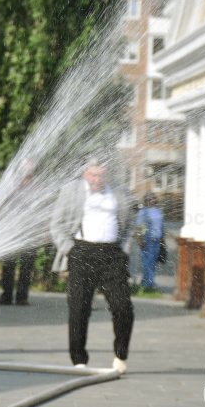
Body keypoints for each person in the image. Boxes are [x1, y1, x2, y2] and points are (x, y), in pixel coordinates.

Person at [50, 158, 134, 374]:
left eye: (101, 176)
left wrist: (124, 250)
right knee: (78, 307)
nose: (97, 180)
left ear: (108, 175)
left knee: (123, 307)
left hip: (112, 255)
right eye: (93, 175)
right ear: (85, 174)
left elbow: (131, 224)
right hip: (81, 253)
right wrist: (70, 250)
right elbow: (57, 225)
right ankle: (79, 360)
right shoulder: (71, 191)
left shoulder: (121, 191)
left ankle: (120, 354)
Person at [135, 192, 164, 291]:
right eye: (148, 199)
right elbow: (139, 226)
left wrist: (163, 238)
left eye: (152, 199)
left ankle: (145, 281)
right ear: (145, 201)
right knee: (148, 261)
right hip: (148, 239)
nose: (150, 201)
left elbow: (161, 225)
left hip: (157, 238)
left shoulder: (158, 211)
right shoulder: (143, 212)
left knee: (154, 261)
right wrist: (140, 239)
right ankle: (150, 282)